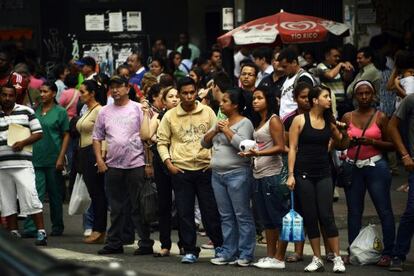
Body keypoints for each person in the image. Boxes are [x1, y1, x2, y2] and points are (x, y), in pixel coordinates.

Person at [157, 77, 223, 264]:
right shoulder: (170, 116)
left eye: (191, 92)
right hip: (181, 170)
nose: (188, 96)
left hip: (205, 169)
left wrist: (213, 160)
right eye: (184, 93)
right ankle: (190, 250)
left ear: (196, 92)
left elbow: (217, 137)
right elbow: (162, 142)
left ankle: (219, 246)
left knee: (210, 211)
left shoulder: (208, 111)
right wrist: (168, 163)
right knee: (184, 213)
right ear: (178, 94)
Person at [285, 85, 349, 272]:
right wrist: (290, 175)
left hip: (323, 173)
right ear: (315, 100)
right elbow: (293, 149)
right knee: (311, 216)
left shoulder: (330, 122)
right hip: (303, 173)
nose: (329, 100)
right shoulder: (299, 120)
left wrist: (342, 130)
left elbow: (342, 144)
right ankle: (317, 258)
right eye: (326, 96)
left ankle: (337, 258)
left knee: (326, 215)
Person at [92, 75, 154, 255]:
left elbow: (147, 137)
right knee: (116, 207)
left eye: (119, 86)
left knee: (139, 206)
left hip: (136, 164)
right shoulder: (104, 111)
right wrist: (100, 160)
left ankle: (145, 243)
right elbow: (97, 137)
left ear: (127, 88)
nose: (115, 90)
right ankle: (114, 243)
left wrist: (148, 164)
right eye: (112, 87)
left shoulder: (138, 108)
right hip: (112, 166)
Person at [341, 80, 396, 266]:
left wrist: (372, 143)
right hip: (353, 166)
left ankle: (389, 253)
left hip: (376, 167)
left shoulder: (381, 117)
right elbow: (340, 143)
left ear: (373, 95)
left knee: (385, 211)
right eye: (360, 94)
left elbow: (392, 144)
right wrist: (349, 141)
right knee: (354, 212)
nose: (364, 97)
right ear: (355, 96)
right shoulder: (347, 117)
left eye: (367, 93)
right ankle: (353, 250)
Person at [201, 88, 256, 267]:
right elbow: (204, 142)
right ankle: (228, 252)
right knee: (225, 216)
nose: (221, 104)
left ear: (235, 105)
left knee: (242, 215)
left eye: (225, 101)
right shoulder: (221, 121)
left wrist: (226, 131)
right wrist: (215, 130)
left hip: (238, 174)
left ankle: (246, 253)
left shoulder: (245, 123)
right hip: (217, 175)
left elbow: (243, 146)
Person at [237, 85, 287, 269]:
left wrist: (257, 154)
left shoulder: (273, 120)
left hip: (272, 175)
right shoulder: (260, 121)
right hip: (259, 174)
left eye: (259, 98)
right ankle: (270, 256)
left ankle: (280, 258)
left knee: (277, 218)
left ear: (268, 100)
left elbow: (280, 147)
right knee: (266, 220)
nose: (255, 101)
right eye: (254, 98)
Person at [0, 84, 47, 246]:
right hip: (2, 166)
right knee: (7, 200)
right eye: (4, 95)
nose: (7, 98)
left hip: (22, 163)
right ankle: (13, 232)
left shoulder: (27, 111)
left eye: (10, 95)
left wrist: (23, 142)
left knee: (30, 195)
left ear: (15, 96)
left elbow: (39, 133)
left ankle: (41, 232)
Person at [23, 81, 70, 238]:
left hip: (54, 158)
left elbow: (66, 135)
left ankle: (57, 226)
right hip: (35, 157)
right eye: (40, 91)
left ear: (53, 93)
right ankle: (31, 227)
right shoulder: (34, 111)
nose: (42, 94)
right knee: (35, 193)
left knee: (55, 194)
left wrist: (61, 157)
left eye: (45, 92)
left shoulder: (60, 112)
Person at [141, 85, 183, 257]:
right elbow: (145, 135)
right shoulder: (159, 116)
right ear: (163, 101)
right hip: (161, 163)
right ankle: (165, 244)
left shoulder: (185, 116)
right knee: (164, 204)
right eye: (170, 96)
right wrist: (145, 113)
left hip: (181, 162)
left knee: (183, 205)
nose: (175, 99)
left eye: (177, 96)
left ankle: (185, 244)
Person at [76, 80, 108, 244]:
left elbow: (105, 135)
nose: (80, 95)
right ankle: (97, 228)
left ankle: (99, 229)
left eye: (83, 92)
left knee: (98, 194)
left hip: (92, 153)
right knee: (93, 193)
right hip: (83, 152)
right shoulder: (87, 110)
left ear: (92, 93)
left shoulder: (100, 110)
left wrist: (100, 157)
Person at [388, 93, 414, 272]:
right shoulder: (411, 100)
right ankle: (398, 254)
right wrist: (404, 155)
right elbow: (392, 126)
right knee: (412, 211)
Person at [316, 46, 354, 119]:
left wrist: (349, 69)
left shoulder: (338, 67)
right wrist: (340, 65)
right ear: (327, 56)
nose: (338, 58)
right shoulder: (321, 66)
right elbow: (330, 75)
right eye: (335, 56)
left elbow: (348, 79)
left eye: (339, 56)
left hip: (342, 104)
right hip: (330, 103)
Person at [277, 48, 315, 119]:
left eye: (285, 66)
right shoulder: (287, 78)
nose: (282, 69)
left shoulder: (304, 78)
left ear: (294, 62)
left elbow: (307, 103)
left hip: (297, 120)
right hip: (285, 121)